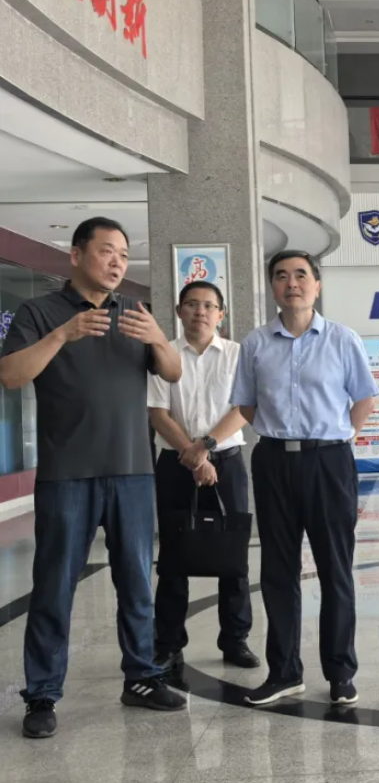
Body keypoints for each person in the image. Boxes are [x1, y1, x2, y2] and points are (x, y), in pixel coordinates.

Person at [0, 217, 186, 739]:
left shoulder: (135, 313)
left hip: (132, 472)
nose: (116, 263)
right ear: (76, 255)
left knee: (137, 583)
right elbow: (11, 375)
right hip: (68, 474)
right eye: (106, 252)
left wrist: (159, 338)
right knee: (54, 586)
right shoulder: (40, 312)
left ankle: (142, 677)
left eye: (123, 255)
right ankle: (42, 694)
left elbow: (172, 373)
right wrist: (63, 334)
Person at [230, 250, 379, 708]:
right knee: (277, 570)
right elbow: (247, 405)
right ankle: (284, 672)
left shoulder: (342, 339)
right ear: (272, 286)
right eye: (281, 276)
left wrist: (337, 438)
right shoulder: (256, 343)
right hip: (274, 462)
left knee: (335, 568)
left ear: (317, 284)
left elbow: (364, 399)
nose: (291, 283)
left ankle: (340, 672)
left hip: (328, 462)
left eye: (300, 275)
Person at [148, 280, 258, 673]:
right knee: (173, 555)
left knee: (233, 553)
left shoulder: (237, 354)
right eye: (192, 304)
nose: (200, 311)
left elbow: (245, 407)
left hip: (226, 461)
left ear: (221, 314)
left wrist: (206, 447)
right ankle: (168, 644)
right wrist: (194, 458)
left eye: (209, 305)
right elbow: (158, 413)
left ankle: (235, 639)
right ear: (179, 311)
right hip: (175, 463)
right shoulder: (163, 354)